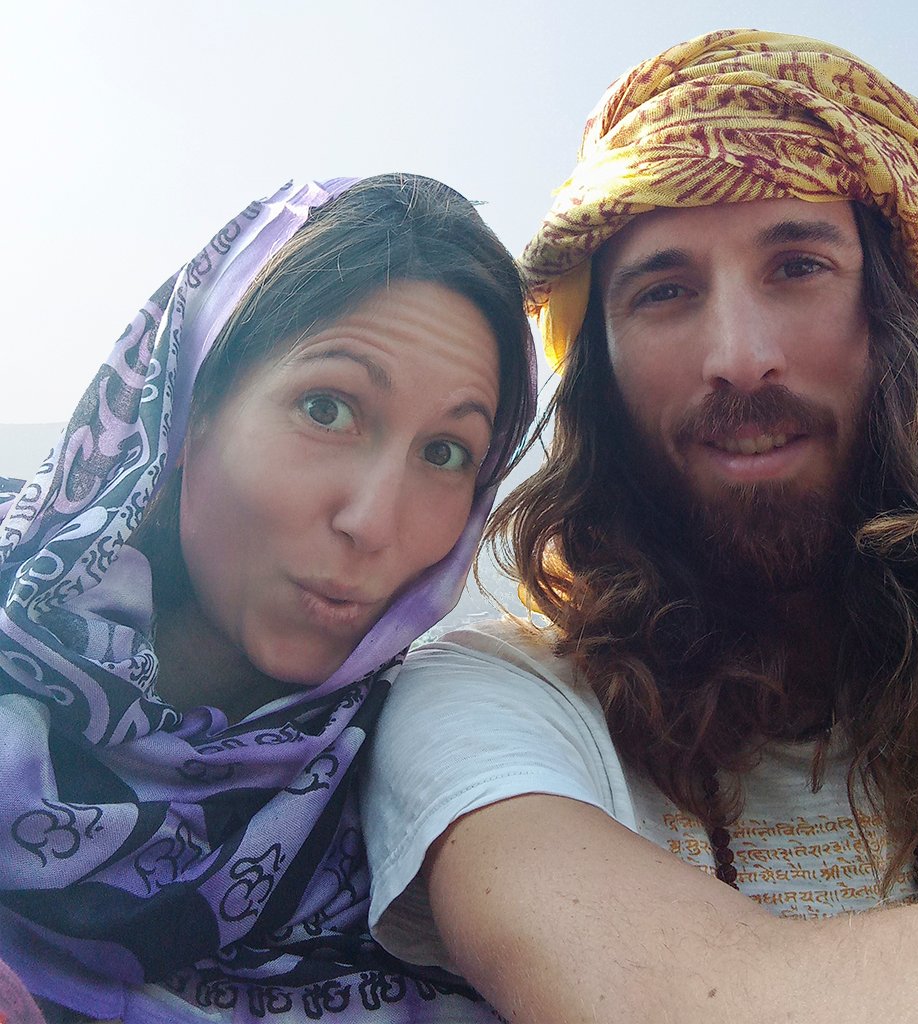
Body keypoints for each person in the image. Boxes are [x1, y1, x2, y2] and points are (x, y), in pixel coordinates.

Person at [362, 31, 918, 1023]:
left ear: (908, 327)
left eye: (798, 266)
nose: (739, 357)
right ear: (600, 374)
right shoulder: (499, 702)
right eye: (664, 292)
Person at [0, 173, 535, 1022]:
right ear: (191, 406)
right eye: (327, 409)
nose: (373, 522)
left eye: (445, 453)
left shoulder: (425, 805)